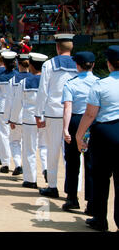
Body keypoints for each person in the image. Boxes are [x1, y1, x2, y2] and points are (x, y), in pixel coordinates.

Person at [76, 46, 119, 232]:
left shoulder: (100, 85)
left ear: (108, 64)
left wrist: (79, 136)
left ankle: (100, 219)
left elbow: (90, 114)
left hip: (105, 133)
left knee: (101, 178)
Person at [36, 34, 78, 198]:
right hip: (74, 112)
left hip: (53, 112)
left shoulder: (49, 64)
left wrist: (39, 114)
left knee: (52, 150)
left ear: (57, 47)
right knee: (73, 153)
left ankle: (52, 185)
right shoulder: (79, 63)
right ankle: (75, 187)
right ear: (71, 47)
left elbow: (43, 91)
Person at [61, 51, 98, 214]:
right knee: (91, 163)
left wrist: (65, 128)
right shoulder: (98, 83)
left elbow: (68, 107)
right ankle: (91, 202)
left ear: (77, 66)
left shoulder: (70, 83)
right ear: (93, 65)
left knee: (72, 160)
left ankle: (72, 197)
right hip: (92, 122)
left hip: (75, 120)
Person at [10, 53, 49, 188]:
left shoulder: (24, 82)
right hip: (46, 119)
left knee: (29, 150)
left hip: (29, 120)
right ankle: (46, 169)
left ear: (31, 66)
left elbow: (17, 104)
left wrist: (13, 120)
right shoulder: (49, 82)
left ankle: (31, 179)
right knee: (45, 147)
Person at [0, 51, 20, 174]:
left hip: (2, 108)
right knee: (17, 138)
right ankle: (18, 163)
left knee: (3, 136)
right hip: (17, 108)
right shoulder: (19, 76)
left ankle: (5, 163)